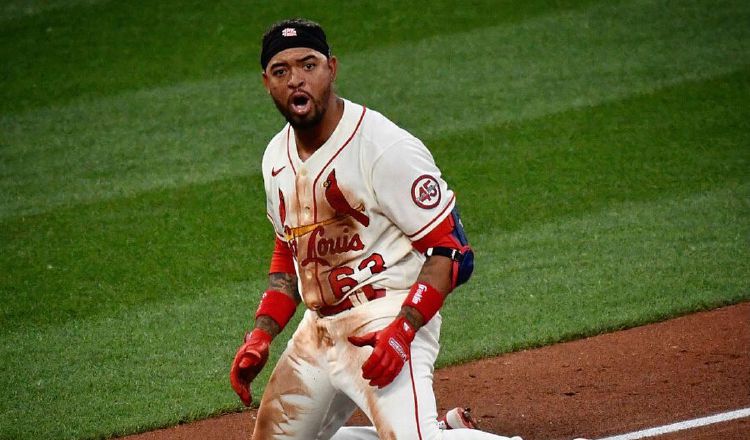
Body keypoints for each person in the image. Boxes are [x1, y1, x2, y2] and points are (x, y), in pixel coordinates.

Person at [229, 18, 572, 440]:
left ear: (331, 68)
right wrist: (262, 334)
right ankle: (448, 431)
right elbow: (289, 252)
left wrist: (404, 330)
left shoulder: (383, 147)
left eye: (309, 64)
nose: (296, 79)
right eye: (281, 71)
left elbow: (453, 253)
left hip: (385, 317)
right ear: (267, 82)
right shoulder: (274, 158)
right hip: (317, 333)